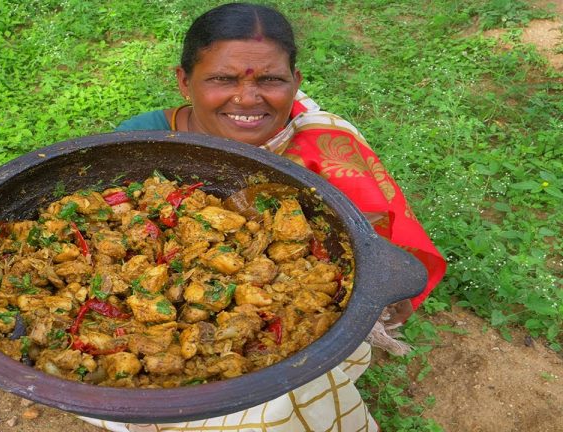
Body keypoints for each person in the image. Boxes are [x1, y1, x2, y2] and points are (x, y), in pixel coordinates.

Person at [82, 3, 447, 431]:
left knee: (292, 393)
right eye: (223, 79)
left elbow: (370, 239)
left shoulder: (321, 143)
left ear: (296, 82)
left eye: (270, 79)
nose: (247, 98)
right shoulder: (141, 142)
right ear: (184, 81)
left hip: (296, 320)